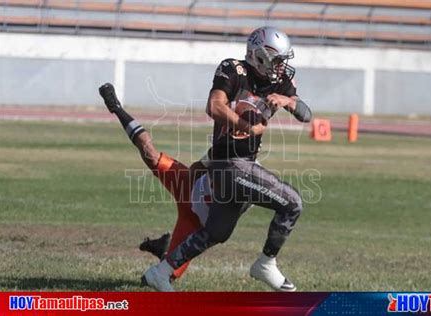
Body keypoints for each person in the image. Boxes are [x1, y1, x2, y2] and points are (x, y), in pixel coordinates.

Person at [144, 26, 312, 292]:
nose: (281, 67)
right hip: (227, 164)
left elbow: (306, 115)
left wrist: (288, 101)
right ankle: (266, 264)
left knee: (217, 232)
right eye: (277, 60)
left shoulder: (279, 82)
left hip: (244, 165)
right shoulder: (234, 69)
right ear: (260, 56)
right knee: (292, 203)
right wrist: (246, 126)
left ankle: (160, 272)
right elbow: (214, 106)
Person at [98, 83, 210, 281]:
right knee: (150, 153)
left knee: (164, 277)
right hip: (190, 185)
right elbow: (195, 169)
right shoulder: (225, 147)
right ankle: (116, 107)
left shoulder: (253, 179)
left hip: (195, 222)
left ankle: (163, 250)